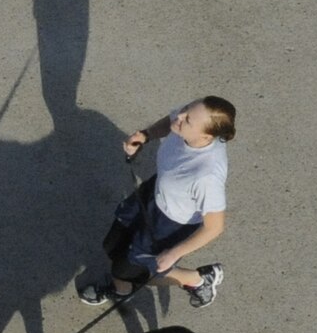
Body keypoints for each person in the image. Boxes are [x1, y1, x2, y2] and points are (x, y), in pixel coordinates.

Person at [81, 95, 235, 309]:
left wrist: (174, 253)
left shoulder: (207, 176)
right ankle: (125, 286)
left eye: (188, 119)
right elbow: (169, 121)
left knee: (129, 267)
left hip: (170, 223)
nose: (180, 115)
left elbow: (215, 227)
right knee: (112, 245)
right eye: (186, 109)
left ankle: (194, 280)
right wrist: (146, 135)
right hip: (153, 192)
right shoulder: (183, 124)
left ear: (206, 136)